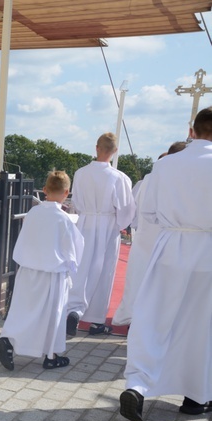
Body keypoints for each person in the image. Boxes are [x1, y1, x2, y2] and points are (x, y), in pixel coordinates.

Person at [119, 108, 212, 421]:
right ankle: (195, 397)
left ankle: (137, 385)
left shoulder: (165, 164)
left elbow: (150, 213)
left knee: (153, 316)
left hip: (171, 244)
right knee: (201, 325)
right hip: (208, 250)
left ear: (192, 130)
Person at [0, 171, 84, 371]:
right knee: (54, 314)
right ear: (66, 192)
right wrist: (72, 269)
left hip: (27, 271)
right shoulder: (64, 219)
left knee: (24, 310)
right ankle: (51, 355)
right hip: (52, 274)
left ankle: (9, 340)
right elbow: (72, 249)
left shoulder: (33, 213)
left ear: (44, 190)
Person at [65, 132, 135, 336]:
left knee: (81, 268)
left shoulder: (80, 173)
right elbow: (126, 208)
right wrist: (119, 223)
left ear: (96, 147)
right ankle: (95, 320)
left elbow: (76, 201)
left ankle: (72, 310)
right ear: (115, 152)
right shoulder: (119, 177)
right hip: (107, 225)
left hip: (85, 223)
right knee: (104, 272)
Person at [112, 141, 187, 328]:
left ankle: (134, 318)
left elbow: (134, 212)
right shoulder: (177, 181)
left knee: (138, 281)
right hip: (168, 238)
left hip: (144, 237)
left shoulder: (146, 181)